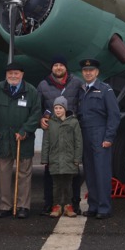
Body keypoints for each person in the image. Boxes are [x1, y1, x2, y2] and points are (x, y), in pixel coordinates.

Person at [0, 62, 41, 219]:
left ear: (22, 74)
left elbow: (36, 114)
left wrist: (25, 130)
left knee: (24, 174)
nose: (13, 76)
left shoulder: (31, 91)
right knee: (4, 173)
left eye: (16, 73)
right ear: (6, 75)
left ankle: (23, 206)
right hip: (3, 139)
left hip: (24, 139)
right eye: (10, 73)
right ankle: (5, 206)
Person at [37, 55, 84, 215]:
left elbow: (83, 103)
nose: (58, 68)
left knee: (73, 174)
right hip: (53, 131)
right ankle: (50, 204)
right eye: (55, 65)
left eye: (61, 65)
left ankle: (74, 204)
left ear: (66, 67)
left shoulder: (76, 83)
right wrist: (40, 119)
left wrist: (78, 121)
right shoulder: (43, 85)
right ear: (51, 68)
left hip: (71, 131)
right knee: (50, 174)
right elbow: (37, 107)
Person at [76, 58, 121, 219]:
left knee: (102, 172)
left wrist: (109, 136)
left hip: (100, 133)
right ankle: (93, 206)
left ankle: (104, 208)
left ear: (97, 72)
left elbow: (114, 115)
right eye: (85, 70)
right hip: (85, 134)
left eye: (91, 70)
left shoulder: (105, 89)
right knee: (89, 172)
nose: (88, 73)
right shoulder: (81, 90)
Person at [41, 96, 83, 218]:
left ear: (65, 109)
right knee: (56, 184)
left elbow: (78, 141)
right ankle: (57, 206)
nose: (58, 110)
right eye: (56, 108)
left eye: (60, 108)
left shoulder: (73, 122)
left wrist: (77, 159)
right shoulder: (50, 123)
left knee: (68, 184)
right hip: (55, 159)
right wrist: (45, 159)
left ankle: (68, 206)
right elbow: (46, 142)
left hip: (69, 159)